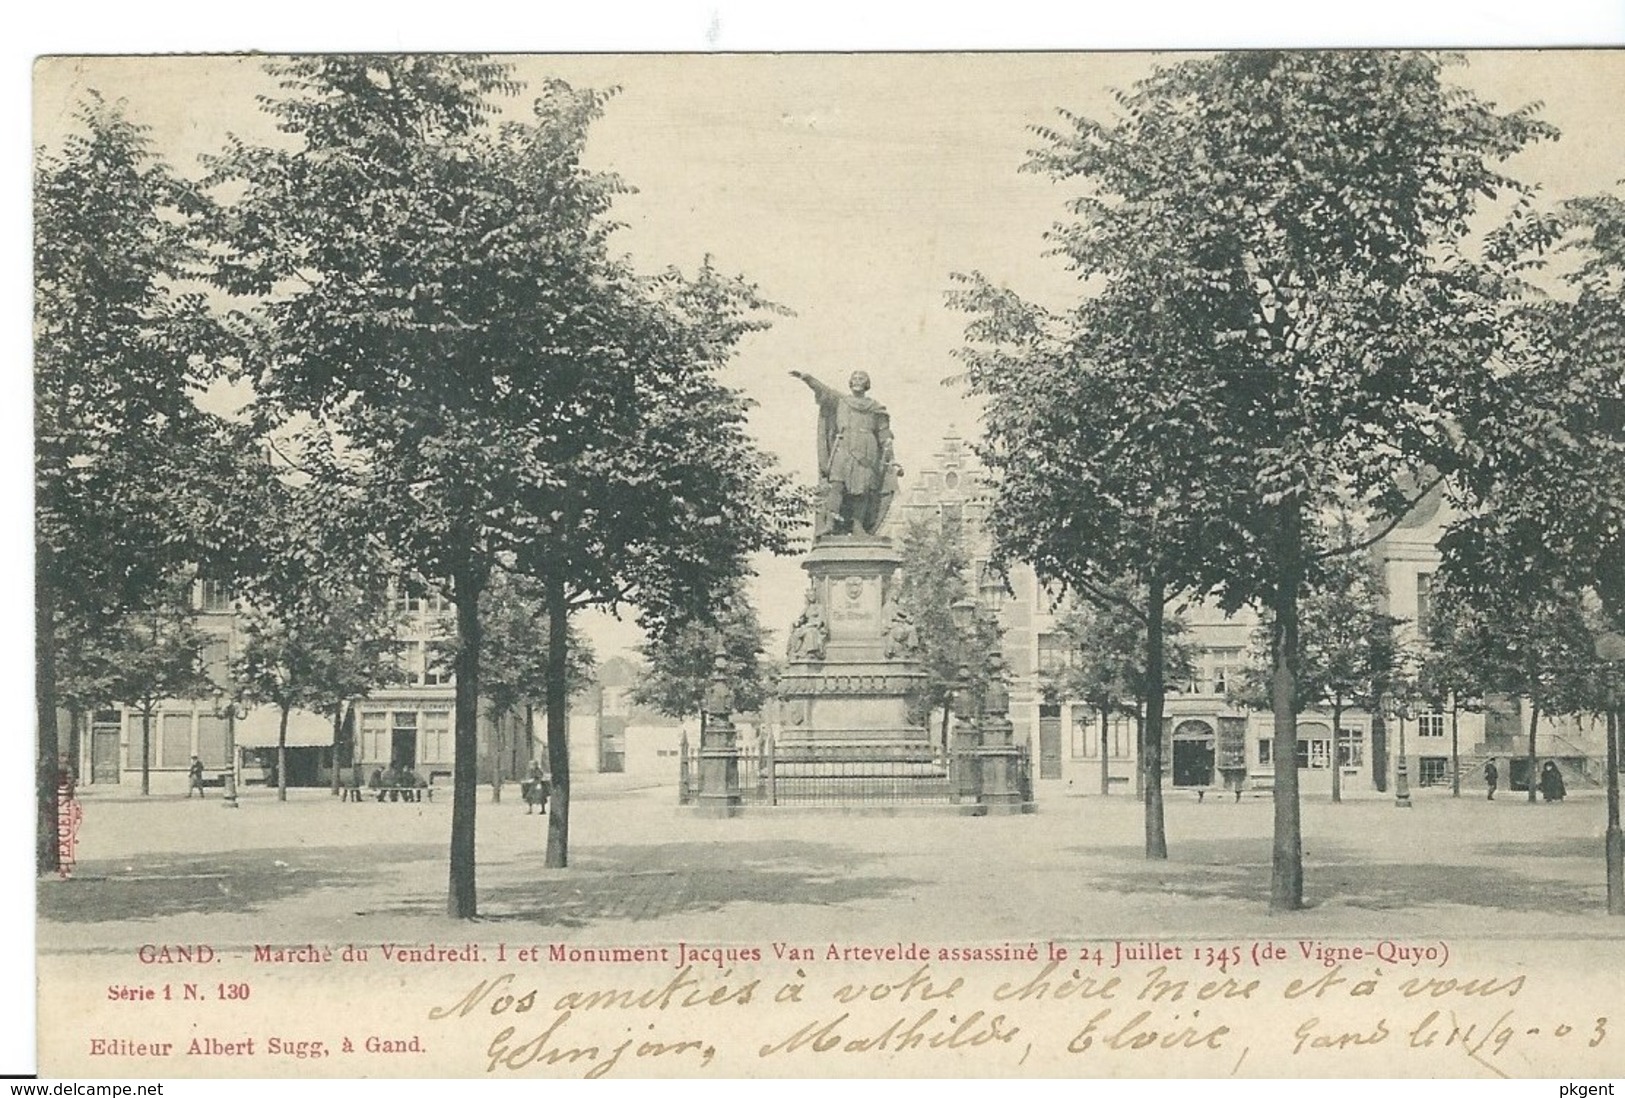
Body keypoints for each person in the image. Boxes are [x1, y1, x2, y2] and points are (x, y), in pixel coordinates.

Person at [789, 369, 900, 537]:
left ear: (867, 383)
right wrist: (807, 378)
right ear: (850, 382)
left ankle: (858, 526)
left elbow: (884, 433)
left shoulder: (876, 408)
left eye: (861, 378)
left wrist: (890, 453)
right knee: (837, 485)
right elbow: (822, 390)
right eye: (854, 378)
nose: (857, 380)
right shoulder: (841, 401)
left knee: (863, 490)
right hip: (844, 446)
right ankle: (830, 523)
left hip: (867, 449)